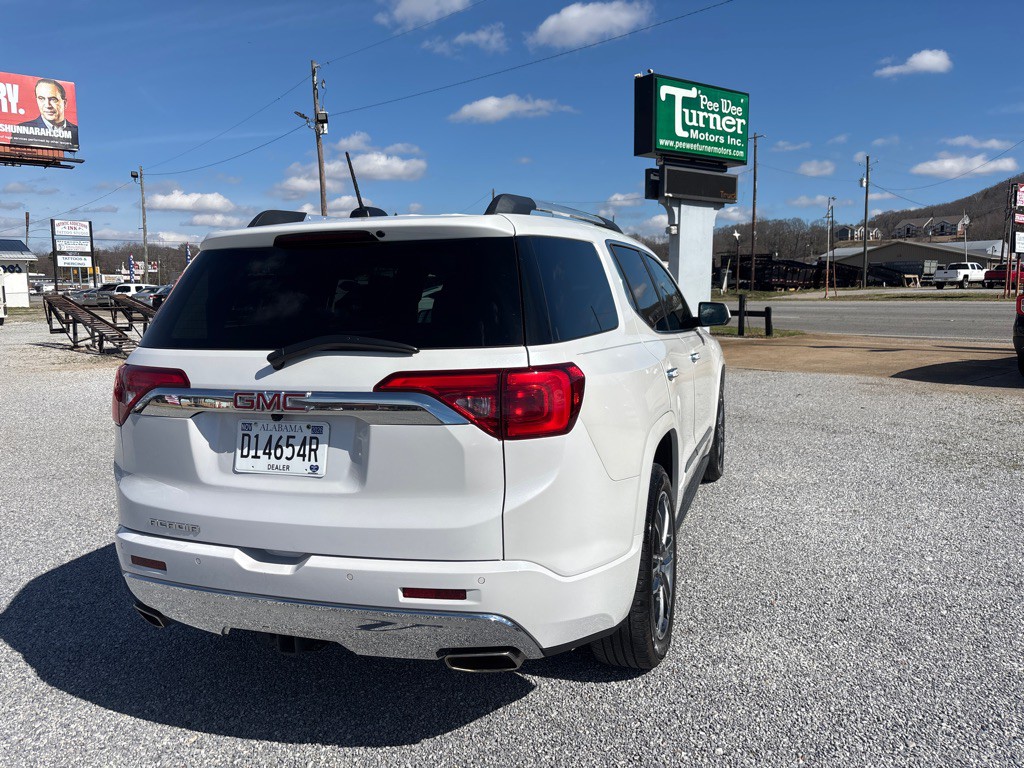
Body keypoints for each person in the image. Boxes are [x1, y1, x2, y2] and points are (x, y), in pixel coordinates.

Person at [15, 79, 78, 149]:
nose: (47, 105)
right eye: (41, 99)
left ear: (65, 103)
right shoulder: (22, 130)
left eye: (53, 99)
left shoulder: (74, 131)